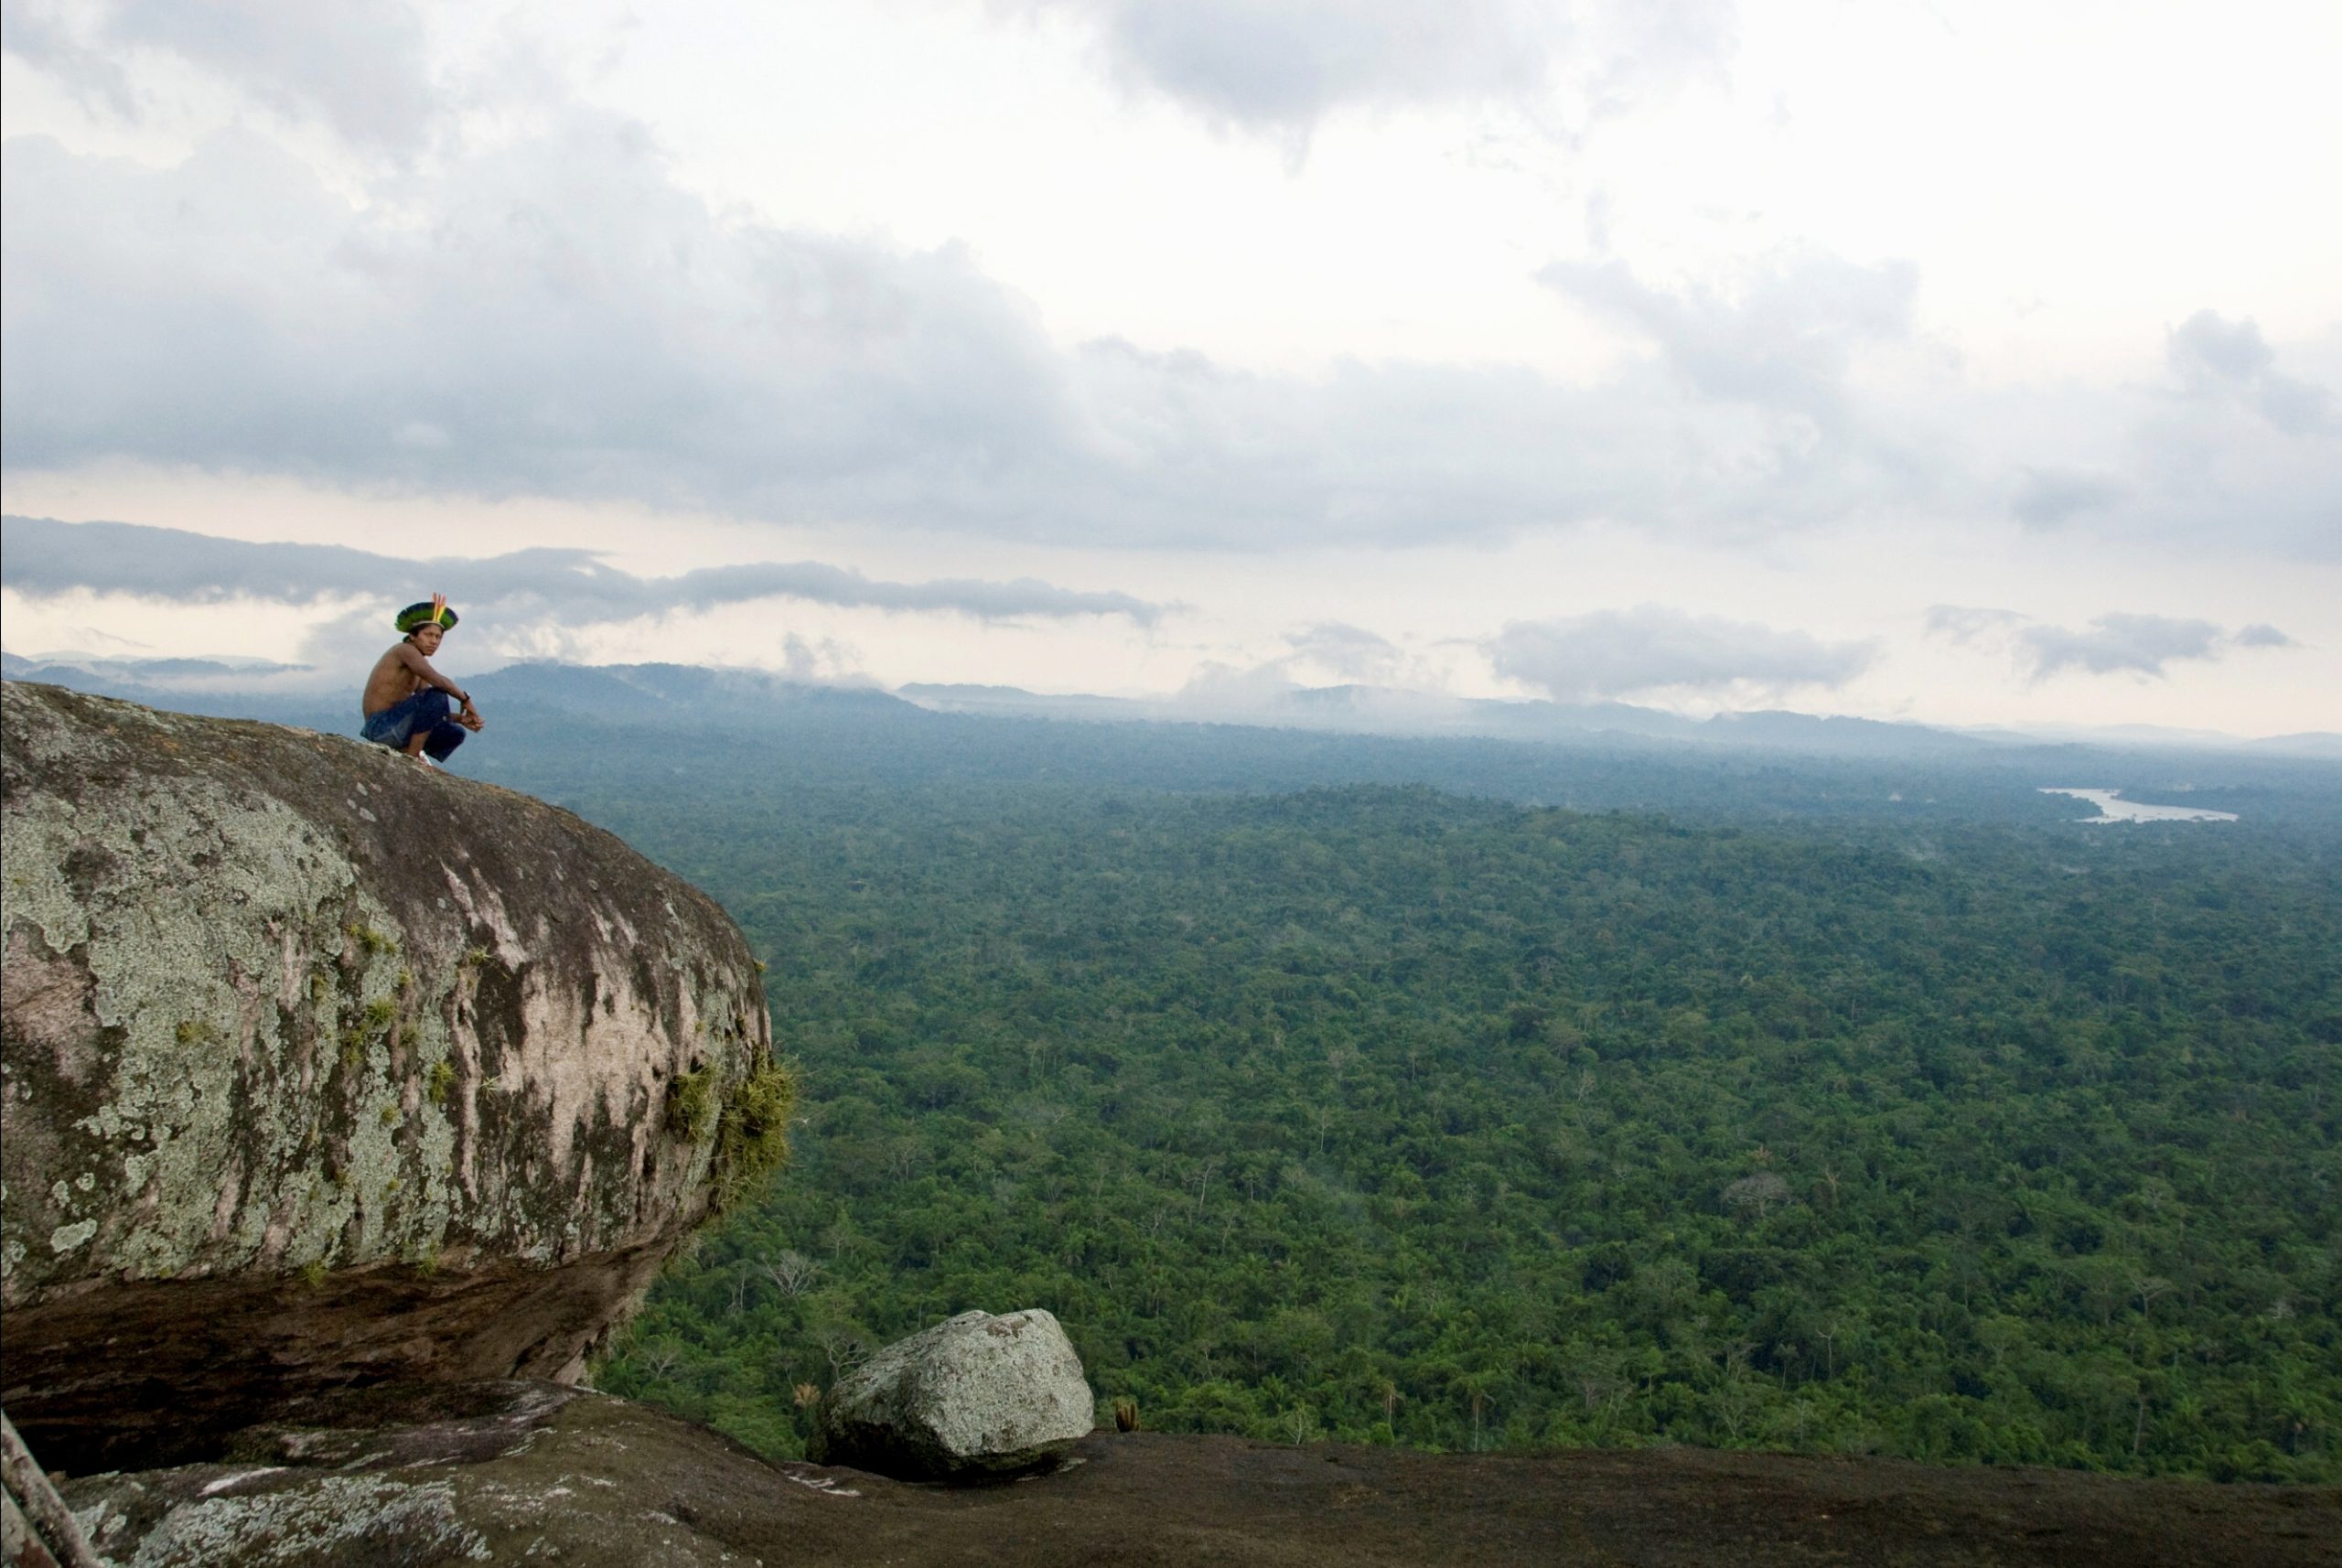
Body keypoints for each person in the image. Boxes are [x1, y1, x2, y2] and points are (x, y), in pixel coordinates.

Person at [360, 594, 485, 766]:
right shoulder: (404, 651)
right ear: (413, 635)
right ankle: (412, 757)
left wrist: (461, 719)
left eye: (438, 637)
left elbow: (428, 711)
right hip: (381, 726)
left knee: (455, 733)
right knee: (438, 694)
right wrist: (465, 699)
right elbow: (438, 682)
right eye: (428, 635)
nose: (434, 641)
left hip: (398, 726)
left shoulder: (419, 663)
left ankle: (405, 750)